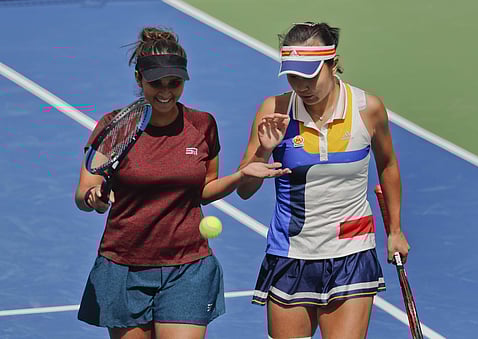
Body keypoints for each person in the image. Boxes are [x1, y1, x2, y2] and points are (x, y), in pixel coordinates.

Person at [74, 26, 290, 339]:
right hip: (124, 266)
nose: (166, 91)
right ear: (139, 79)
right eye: (155, 83)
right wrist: (93, 198)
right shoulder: (115, 126)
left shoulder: (203, 125)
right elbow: (84, 194)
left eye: (174, 83)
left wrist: (242, 175)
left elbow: (203, 190)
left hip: (188, 266)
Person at [236, 22, 411, 339]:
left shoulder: (367, 110)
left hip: (351, 252)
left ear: (333, 64)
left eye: (310, 75)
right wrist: (262, 152)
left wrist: (395, 231)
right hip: (291, 253)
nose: (301, 85)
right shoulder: (274, 110)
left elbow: (388, 164)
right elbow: (245, 191)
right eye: (293, 76)